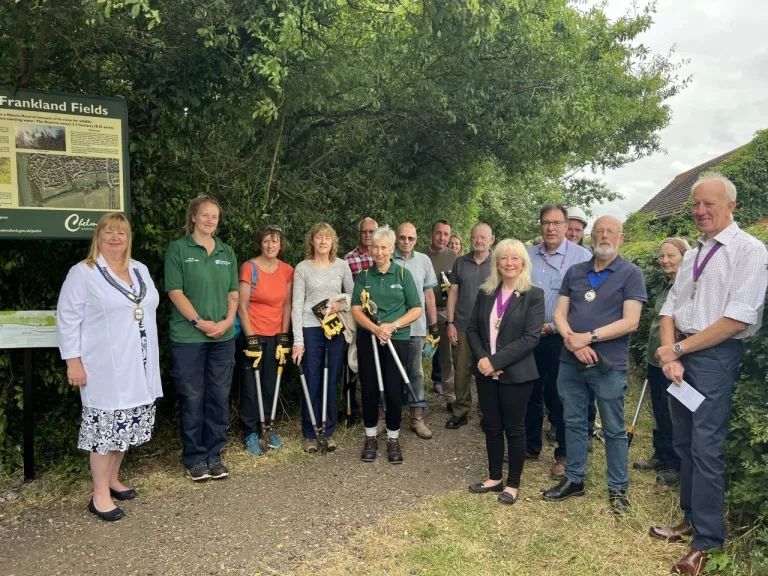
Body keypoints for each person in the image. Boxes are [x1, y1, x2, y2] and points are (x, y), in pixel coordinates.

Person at [650, 174, 768, 576]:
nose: (700, 211)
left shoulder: (749, 251)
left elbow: (738, 318)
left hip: (715, 359)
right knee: (683, 441)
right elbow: (670, 307)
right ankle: (690, 519)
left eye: (709, 205)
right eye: (696, 204)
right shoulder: (696, 251)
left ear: (731, 206)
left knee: (706, 448)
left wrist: (679, 349)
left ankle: (707, 542)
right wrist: (670, 355)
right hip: (681, 356)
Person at [57, 213, 162, 521]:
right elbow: (67, 318)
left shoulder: (139, 268)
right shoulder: (83, 273)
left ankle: (113, 479)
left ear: (129, 238)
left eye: (122, 232)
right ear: (98, 237)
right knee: (106, 428)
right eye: (109, 232)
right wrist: (72, 360)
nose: (116, 237)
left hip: (139, 363)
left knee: (126, 425)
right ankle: (99, 494)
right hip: (104, 366)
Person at [542, 215, 647, 515]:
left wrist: (588, 338)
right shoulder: (575, 272)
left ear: (621, 238)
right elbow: (560, 314)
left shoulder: (631, 273)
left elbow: (631, 321)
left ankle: (618, 487)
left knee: (613, 428)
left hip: (608, 365)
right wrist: (573, 341)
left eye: (610, 232)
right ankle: (574, 479)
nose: (604, 236)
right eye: (599, 231)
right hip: (570, 361)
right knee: (573, 421)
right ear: (591, 236)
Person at [165, 195, 239, 481]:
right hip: (188, 337)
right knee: (193, 397)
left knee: (218, 396)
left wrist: (227, 321)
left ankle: (214, 455)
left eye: (215, 217)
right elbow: (175, 292)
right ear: (193, 216)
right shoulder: (178, 249)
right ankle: (195, 458)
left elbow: (233, 293)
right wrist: (199, 322)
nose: (210, 220)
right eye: (205, 215)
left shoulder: (226, 252)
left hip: (222, 337)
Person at [466, 239, 545, 505]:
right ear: (496, 263)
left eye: (514, 258)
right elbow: (472, 329)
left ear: (523, 262)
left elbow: (531, 337)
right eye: (503, 258)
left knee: (514, 428)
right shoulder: (486, 292)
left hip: (516, 374)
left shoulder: (534, 294)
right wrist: (484, 361)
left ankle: (513, 484)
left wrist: (496, 362)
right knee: (491, 425)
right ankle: (494, 477)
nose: (509, 263)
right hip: (486, 372)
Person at [526, 204, 591, 479]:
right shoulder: (528, 256)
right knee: (529, 392)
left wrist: (553, 326)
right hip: (527, 338)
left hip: (560, 338)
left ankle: (563, 454)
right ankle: (529, 447)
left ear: (566, 226)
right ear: (540, 226)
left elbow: (584, 303)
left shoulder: (581, 258)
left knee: (560, 396)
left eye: (556, 223)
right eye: (545, 223)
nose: (550, 228)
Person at [352, 226, 422, 464]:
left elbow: (416, 309)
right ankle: (370, 436)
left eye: (384, 247)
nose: (379, 252)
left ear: (392, 249)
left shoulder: (403, 276)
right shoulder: (364, 277)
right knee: (369, 388)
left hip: (396, 339)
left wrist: (392, 326)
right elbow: (355, 310)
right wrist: (375, 328)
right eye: (375, 247)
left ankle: (393, 437)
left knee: (394, 390)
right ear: (370, 249)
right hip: (369, 339)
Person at [633, 237, 690, 486]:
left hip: (675, 361)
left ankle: (675, 465)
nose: (665, 260)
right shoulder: (667, 286)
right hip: (656, 360)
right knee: (658, 410)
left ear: (684, 258)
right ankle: (660, 455)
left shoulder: (689, 287)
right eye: (662, 256)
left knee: (672, 413)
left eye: (671, 256)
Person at [292, 223, 353, 453]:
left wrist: (341, 304)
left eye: (327, 238)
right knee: (312, 378)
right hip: (311, 328)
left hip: (335, 328)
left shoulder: (342, 266)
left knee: (331, 379)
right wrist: (298, 340)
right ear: (312, 241)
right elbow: (297, 306)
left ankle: (327, 431)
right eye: (319, 237)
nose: (323, 241)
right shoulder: (302, 268)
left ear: (333, 242)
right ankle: (310, 433)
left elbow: (353, 295)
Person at [237, 226, 294, 456]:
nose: (271, 245)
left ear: (281, 245)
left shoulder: (287, 270)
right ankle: (251, 431)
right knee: (251, 386)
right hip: (253, 335)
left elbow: (287, 305)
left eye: (275, 241)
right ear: (260, 244)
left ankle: (268, 429)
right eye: (266, 241)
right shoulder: (249, 268)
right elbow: (241, 306)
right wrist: (251, 339)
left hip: (275, 335)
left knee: (271, 384)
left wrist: (284, 336)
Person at [446, 223, 495, 428]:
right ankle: (461, 409)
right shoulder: (460, 262)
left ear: (492, 239)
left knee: (487, 371)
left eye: (483, 237)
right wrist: (450, 322)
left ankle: (487, 413)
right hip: (463, 324)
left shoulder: (498, 262)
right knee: (461, 369)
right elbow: (453, 293)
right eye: (475, 237)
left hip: (490, 328)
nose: (479, 241)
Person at [394, 222, 439, 439]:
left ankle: (417, 419)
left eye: (410, 238)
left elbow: (429, 296)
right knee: (389, 373)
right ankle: (385, 417)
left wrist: (434, 326)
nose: (406, 242)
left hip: (417, 327)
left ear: (416, 240)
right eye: (402, 237)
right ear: (396, 238)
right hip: (390, 329)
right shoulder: (386, 258)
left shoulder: (424, 261)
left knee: (417, 373)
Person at [424, 220, 458, 408]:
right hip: (420, 310)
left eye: (446, 234)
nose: (442, 238)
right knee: (416, 355)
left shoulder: (454, 256)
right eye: (439, 233)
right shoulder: (420, 255)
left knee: (447, 357)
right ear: (432, 234)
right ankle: (415, 397)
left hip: (445, 310)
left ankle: (450, 397)